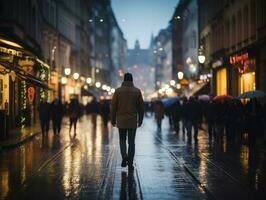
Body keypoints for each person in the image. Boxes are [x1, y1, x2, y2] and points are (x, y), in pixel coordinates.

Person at [111, 73, 144, 170]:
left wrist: (113, 120)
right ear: (132, 80)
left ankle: (124, 157)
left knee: (122, 140)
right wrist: (140, 120)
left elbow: (113, 107)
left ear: (124, 80)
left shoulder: (118, 91)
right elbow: (141, 108)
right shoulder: (137, 91)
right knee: (131, 142)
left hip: (121, 121)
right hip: (132, 121)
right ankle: (130, 162)